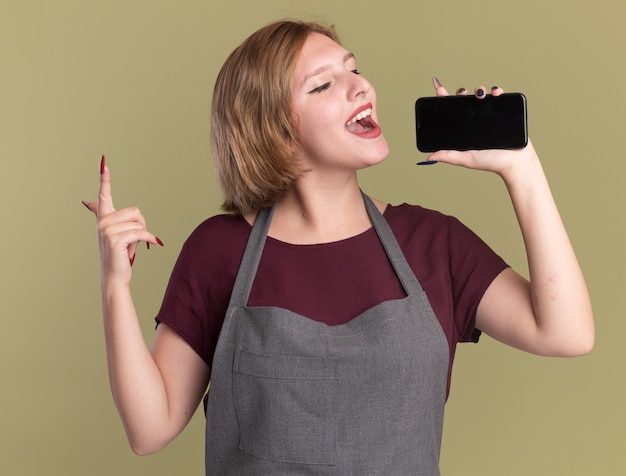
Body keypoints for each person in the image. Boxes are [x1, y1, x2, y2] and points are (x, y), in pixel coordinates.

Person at [82, 19, 594, 475]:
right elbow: (150, 432)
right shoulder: (218, 251)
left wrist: (521, 169)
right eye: (325, 84)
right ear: (277, 132)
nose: (360, 86)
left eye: (353, 69)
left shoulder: (434, 243)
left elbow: (567, 333)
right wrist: (115, 286)